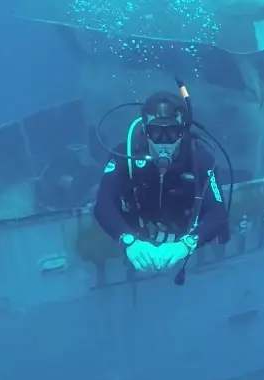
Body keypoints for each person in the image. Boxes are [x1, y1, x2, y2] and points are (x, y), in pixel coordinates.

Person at [94, 91, 228, 274]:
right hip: (137, 239)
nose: (164, 142)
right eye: (156, 132)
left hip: (182, 239)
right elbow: (103, 204)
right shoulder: (125, 155)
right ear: (145, 131)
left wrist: (186, 245)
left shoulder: (200, 159)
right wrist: (128, 241)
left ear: (183, 132)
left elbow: (218, 211)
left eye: (172, 132)